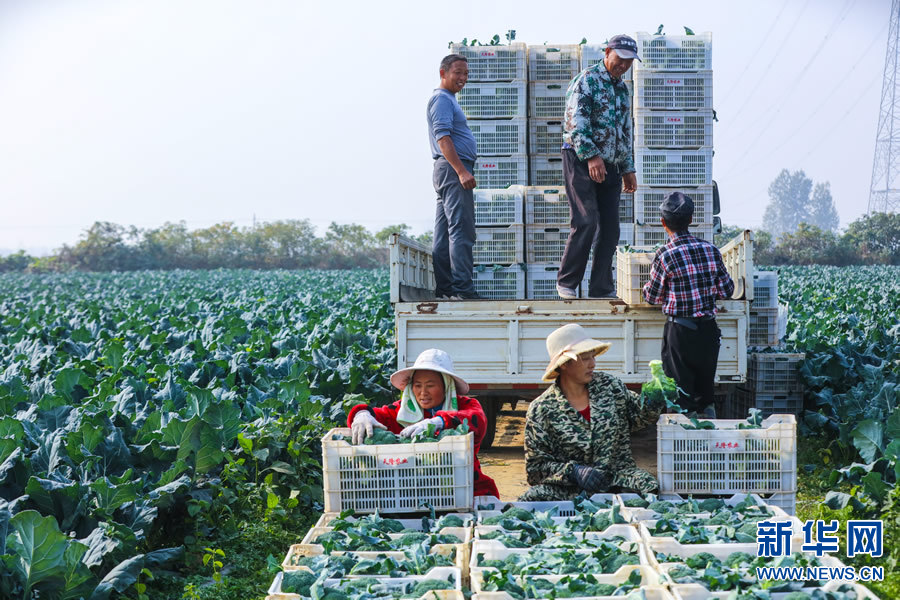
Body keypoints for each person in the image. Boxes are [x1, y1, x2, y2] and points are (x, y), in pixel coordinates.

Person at [521, 324, 665, 501]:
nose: (593, 364)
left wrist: (654, 398)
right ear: (564, 364)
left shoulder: (610, 386)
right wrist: (573, 472)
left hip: (617, 479)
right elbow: (535, 470)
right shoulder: (541, 409)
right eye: (584, 358)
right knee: (532, 498)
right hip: (570, 489)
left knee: (649, 487)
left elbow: (639, 417)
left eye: (593, 357)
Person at [347, 348, 499, 498]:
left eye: (430, 385)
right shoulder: (403, 411)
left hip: (464, 486)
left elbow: (477, 418)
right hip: (411, 491)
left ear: (446, 386)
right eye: (418, 385)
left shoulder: (465, 405)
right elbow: (377, 415)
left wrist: (439, 421)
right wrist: (362, 413)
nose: (423, 392)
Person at [556, 35, 640, 300]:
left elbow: (625, 131)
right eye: (620, 59)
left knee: (611, 228)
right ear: (607, 53)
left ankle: (600, 287)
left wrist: (628, 167)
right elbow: (575, 123)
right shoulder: (587, 80)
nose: (623, 65)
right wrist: (592, 156)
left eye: (629, 62)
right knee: (586, 220)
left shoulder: (622, 89)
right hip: (581, 159)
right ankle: (567, 282)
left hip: (612, 164)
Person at [642, 192, 736, 417]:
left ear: (663, 223)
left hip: (681, 333)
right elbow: (727, 290)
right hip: (708, 331)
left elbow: (652, 296)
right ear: (691, 220)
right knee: (705, 393)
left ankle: (684, 441)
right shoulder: (711, 250)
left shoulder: (665, 255)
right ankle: (708, 438)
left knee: (680, 395)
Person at [427, 54, 482, 301]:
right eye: (458, 73)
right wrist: (461, 171)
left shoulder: (448, 100)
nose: (463, 78)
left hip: (446, 170)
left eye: (466, 74)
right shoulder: (442, 100)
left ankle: (446, 289)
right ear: (443, 73)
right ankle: (463, 290)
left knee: (444, 233)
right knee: (462, 229)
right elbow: (443, 138)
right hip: (452, 169)